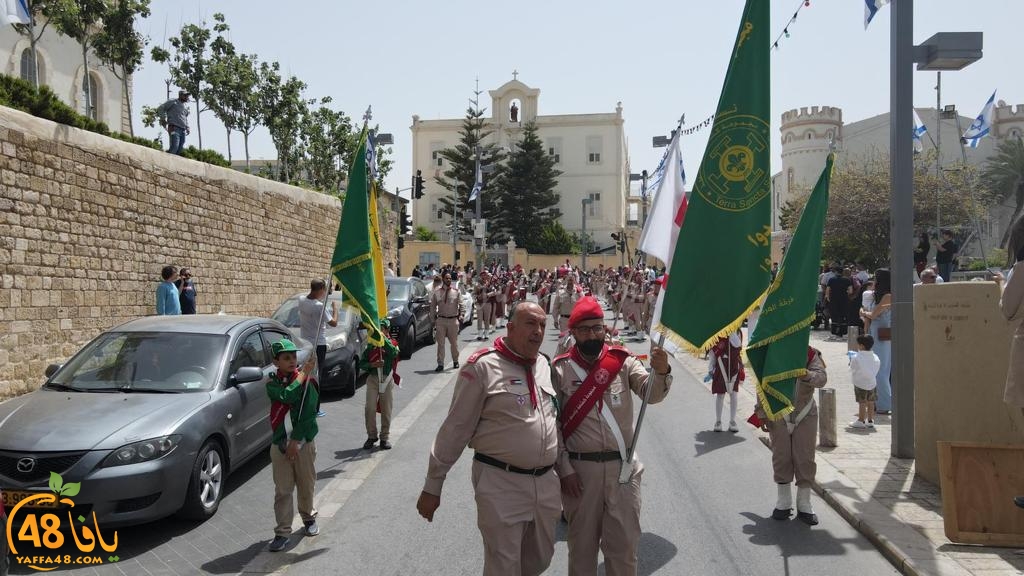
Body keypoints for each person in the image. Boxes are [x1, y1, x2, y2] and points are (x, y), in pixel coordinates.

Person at [416, 302, 560, 576]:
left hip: (545, 484)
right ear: (510, 327)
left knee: (538, 561)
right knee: (503, 566)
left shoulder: (543, 363)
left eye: (542, 325)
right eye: (530, 323)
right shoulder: (482, 367)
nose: (538, 331)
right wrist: (433, 485)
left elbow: (554, 422)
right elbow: (455, 429)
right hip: (501, 483)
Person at [552, 296, 672, 576]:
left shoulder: (623, 361)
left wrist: (662, 369)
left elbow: (651, 394)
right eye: (584, 330)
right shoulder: (560, 369)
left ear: (605, 329)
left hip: (623, 470)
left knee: (624, 550)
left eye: (597, 328)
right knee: (581, 552)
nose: (592, 334)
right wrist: (565, 468)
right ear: (574, 333)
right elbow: (552, 425)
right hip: (580, 475)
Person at [757, 344, 828, 526]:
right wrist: (762, 413)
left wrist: (806, 374)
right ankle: (784, 501)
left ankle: (804, 503)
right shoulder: (771, 353)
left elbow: (822, 379)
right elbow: (761, 382)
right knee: (781, 456)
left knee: (805, 457)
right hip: (778, 412)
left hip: (805, 412)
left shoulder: (811, 353)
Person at [266, 339, 319, 552]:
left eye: (294, 357)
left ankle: (308, 518)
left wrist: (295, 441)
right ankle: (282, 532)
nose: (292, 361)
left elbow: (308, 415)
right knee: (283, 490)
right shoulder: (272, 384)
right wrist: (303, 374)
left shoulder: (307, 382)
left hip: (303, 443)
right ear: (276, 361)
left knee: (306, 484)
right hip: (280, 443)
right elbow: (287, 396)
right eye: (286, 358)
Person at [298, 279, 338, 415]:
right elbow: (334, 323)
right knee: (317, 376)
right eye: (324, 289)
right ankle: (315, 408)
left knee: (305, 374)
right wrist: (334, 309)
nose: (324, 292)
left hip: (305, 344)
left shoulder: (301, 300)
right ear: (320, 289)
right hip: (318, 344)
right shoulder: (319, 307)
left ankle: (304, 404)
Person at [362, 319, 401, 450]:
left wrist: (383, 340)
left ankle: (384, 437)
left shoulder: (392, 343)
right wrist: (372, 365)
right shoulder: (371, 345)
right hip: (373, 379)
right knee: (369, 408)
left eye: (381, 328)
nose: (378, 331)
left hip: (386, 379)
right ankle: (371, 435)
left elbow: (394, 353)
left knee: (386, 409)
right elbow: (362, 363)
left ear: (387, 330)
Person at [860, 269, 892, 414]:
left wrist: (863, 313)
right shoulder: (876, 296)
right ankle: (877, 402)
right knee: (875, 369)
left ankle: (885, 404)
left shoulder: (888, 296)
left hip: (882, 337)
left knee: (881, 370)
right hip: (874, 334)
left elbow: (873, 314)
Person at [707, 329, 743, 432]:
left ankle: (732, 421)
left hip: (733, 367)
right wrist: (710, 368)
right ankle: (718, 421)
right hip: (720, 364)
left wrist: (730, 330)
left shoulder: (737, 332)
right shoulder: (717, 333)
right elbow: (712, 353)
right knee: (720, 394)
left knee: (734, 394)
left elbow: (737, 345)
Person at [430, 273, 463, 372]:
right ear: (443, 279)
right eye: (447, 278)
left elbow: (462, 304)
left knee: (454, 344)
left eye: (450, 278)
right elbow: (432, 307)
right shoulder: (437, 292)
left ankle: (455, 361)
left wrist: (462, 315)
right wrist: (433, 320)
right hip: (441, 320)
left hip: (453, 320)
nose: (449, 280)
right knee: (441, 344)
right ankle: (440, 364)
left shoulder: (456, 292)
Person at [848, 334, 880, 429]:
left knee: (862, 402)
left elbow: (852, 368)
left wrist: (850, 361)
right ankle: (870, 420)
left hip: (860, 383)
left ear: (861, 345)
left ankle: (860, 420)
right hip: (872, 383)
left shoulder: (856, 357)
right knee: (871, 402)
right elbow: (877, 367)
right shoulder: (875, 357)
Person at [156, 90, 190, 155]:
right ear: (180, 95)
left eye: (187, 96)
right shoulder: (173, 101)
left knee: (179, 149)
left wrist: (187, 127)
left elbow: (185, 118)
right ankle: (165, 158)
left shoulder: (185, 106)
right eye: (185, 95)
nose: (186, 97)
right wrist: (163, 119)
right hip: (174, 128)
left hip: (182, 130)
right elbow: (161, 108)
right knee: (175, 146)